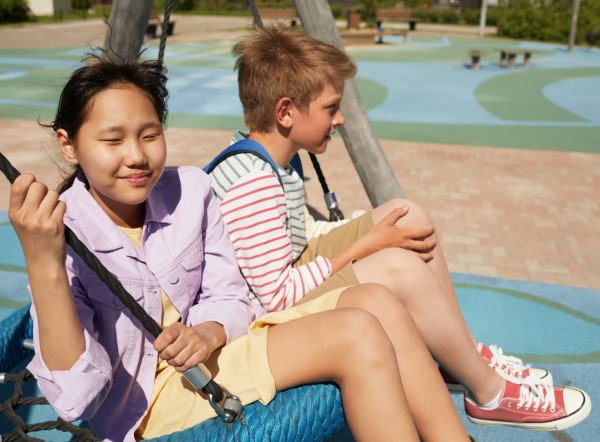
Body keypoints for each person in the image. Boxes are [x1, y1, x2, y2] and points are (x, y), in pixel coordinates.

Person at [7, 50, 475, 441]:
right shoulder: (59, 236)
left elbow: (230, 296)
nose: (136, 156)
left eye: (150, 135)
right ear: (69, 145)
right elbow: (76, 398)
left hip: (216, 354)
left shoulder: (190, 190)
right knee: (357, 334)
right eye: (112, 140)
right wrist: (44, 262)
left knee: (377, 301)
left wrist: (208, 332)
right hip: (151, 406)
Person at [207, 25, 592, 431]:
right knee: (398, 268)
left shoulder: (277, 160)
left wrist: (362, 228)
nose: (340, 119)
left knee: (407, 216)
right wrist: (366, 244)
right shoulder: (253, 182)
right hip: (262, 316)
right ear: (285, 112)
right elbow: (275, 297)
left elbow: (295, 238)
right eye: (331, 107)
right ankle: (489, 393)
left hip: (288, 276)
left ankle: (461, 353)